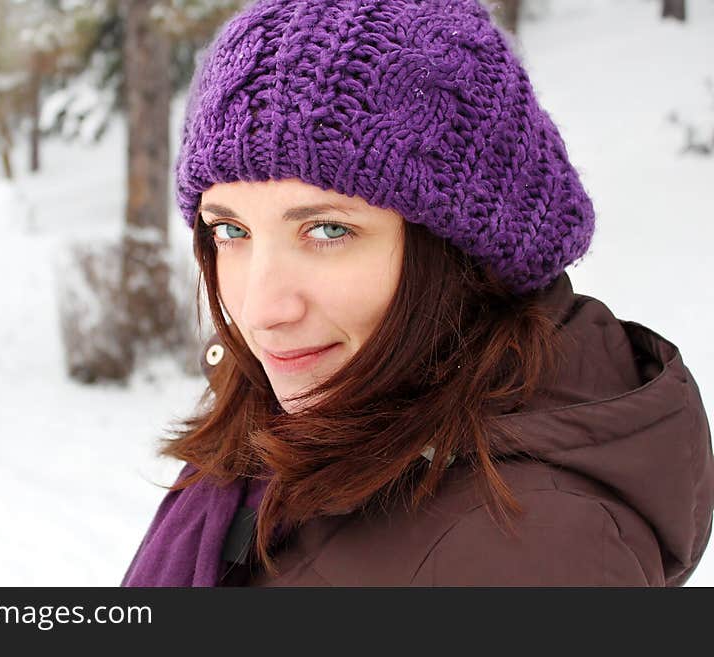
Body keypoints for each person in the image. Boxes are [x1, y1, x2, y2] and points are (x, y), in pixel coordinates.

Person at [121, 0, 714, 586]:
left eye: (329, 230)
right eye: (231, 231)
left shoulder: (539, 556)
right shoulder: (266, 430)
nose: (260, 310)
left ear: (461, 249)